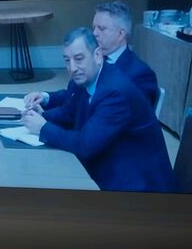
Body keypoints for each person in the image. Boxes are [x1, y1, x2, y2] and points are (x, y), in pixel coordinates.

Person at [22, 28, 174, 192]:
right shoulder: (88, 79)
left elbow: (85, 145)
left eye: (79, 59)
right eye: (67, 60)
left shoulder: (115, 92)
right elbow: (68, 113)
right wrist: (42, 115)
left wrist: (43, 127)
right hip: (111, 168)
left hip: (138, 188)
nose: (72, 68)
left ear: (97, 55)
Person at [25, 0, 158, 109]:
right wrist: (44, 98)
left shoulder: (140, 74)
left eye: (101, 28)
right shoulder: (92, 58)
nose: (94, 33)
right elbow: (73, 95)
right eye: (94, 27)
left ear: (121, 34)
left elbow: (129, 119)